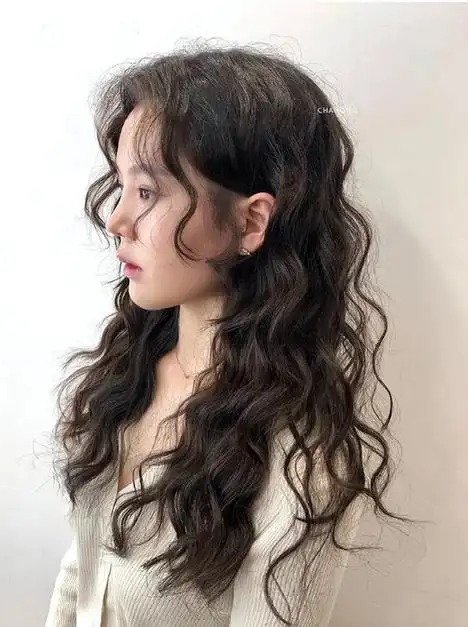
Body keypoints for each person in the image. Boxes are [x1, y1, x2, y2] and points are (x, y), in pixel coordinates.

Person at [44, 42, 412, 627]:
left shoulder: (302, 457)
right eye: (121, 186)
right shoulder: (126, 377)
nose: (116, 220)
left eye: (147, 192)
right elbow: (81, 577)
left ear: (250, 220)